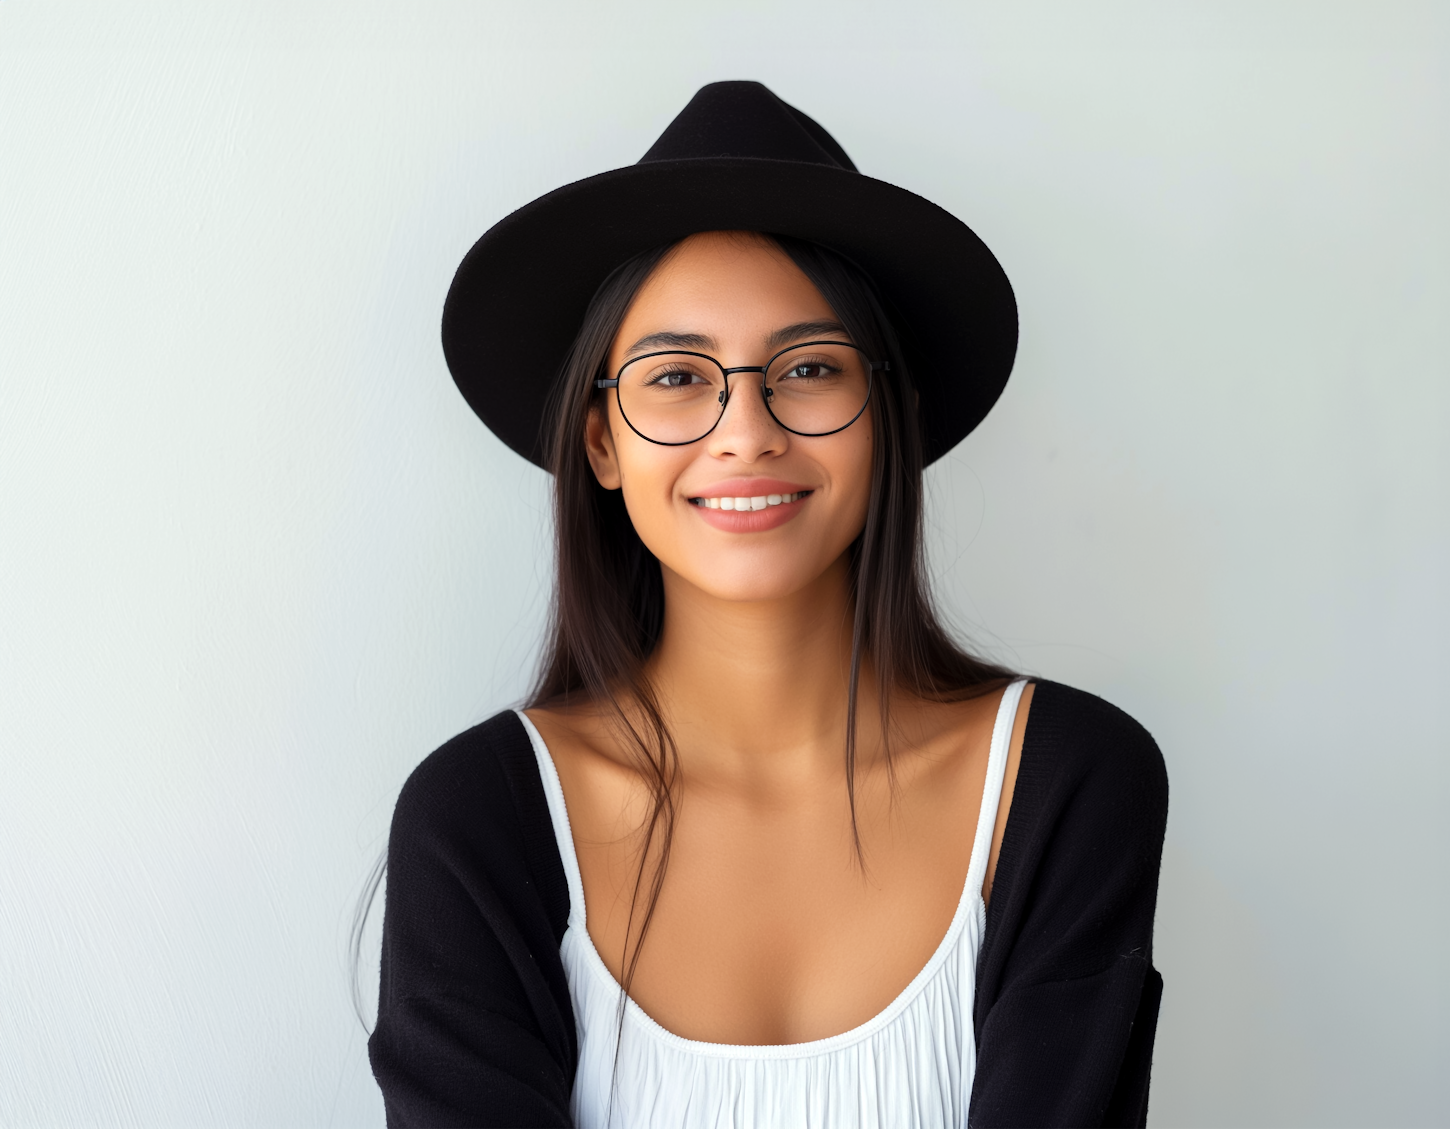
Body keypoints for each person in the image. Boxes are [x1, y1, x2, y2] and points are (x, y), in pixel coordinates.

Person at [368, 81, 1168, 1129]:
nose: (746, 429)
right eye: (675, 378)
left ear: (891, 420)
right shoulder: (481, 817)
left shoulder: (1064, 780)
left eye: (809, 367)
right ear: (600, 442)